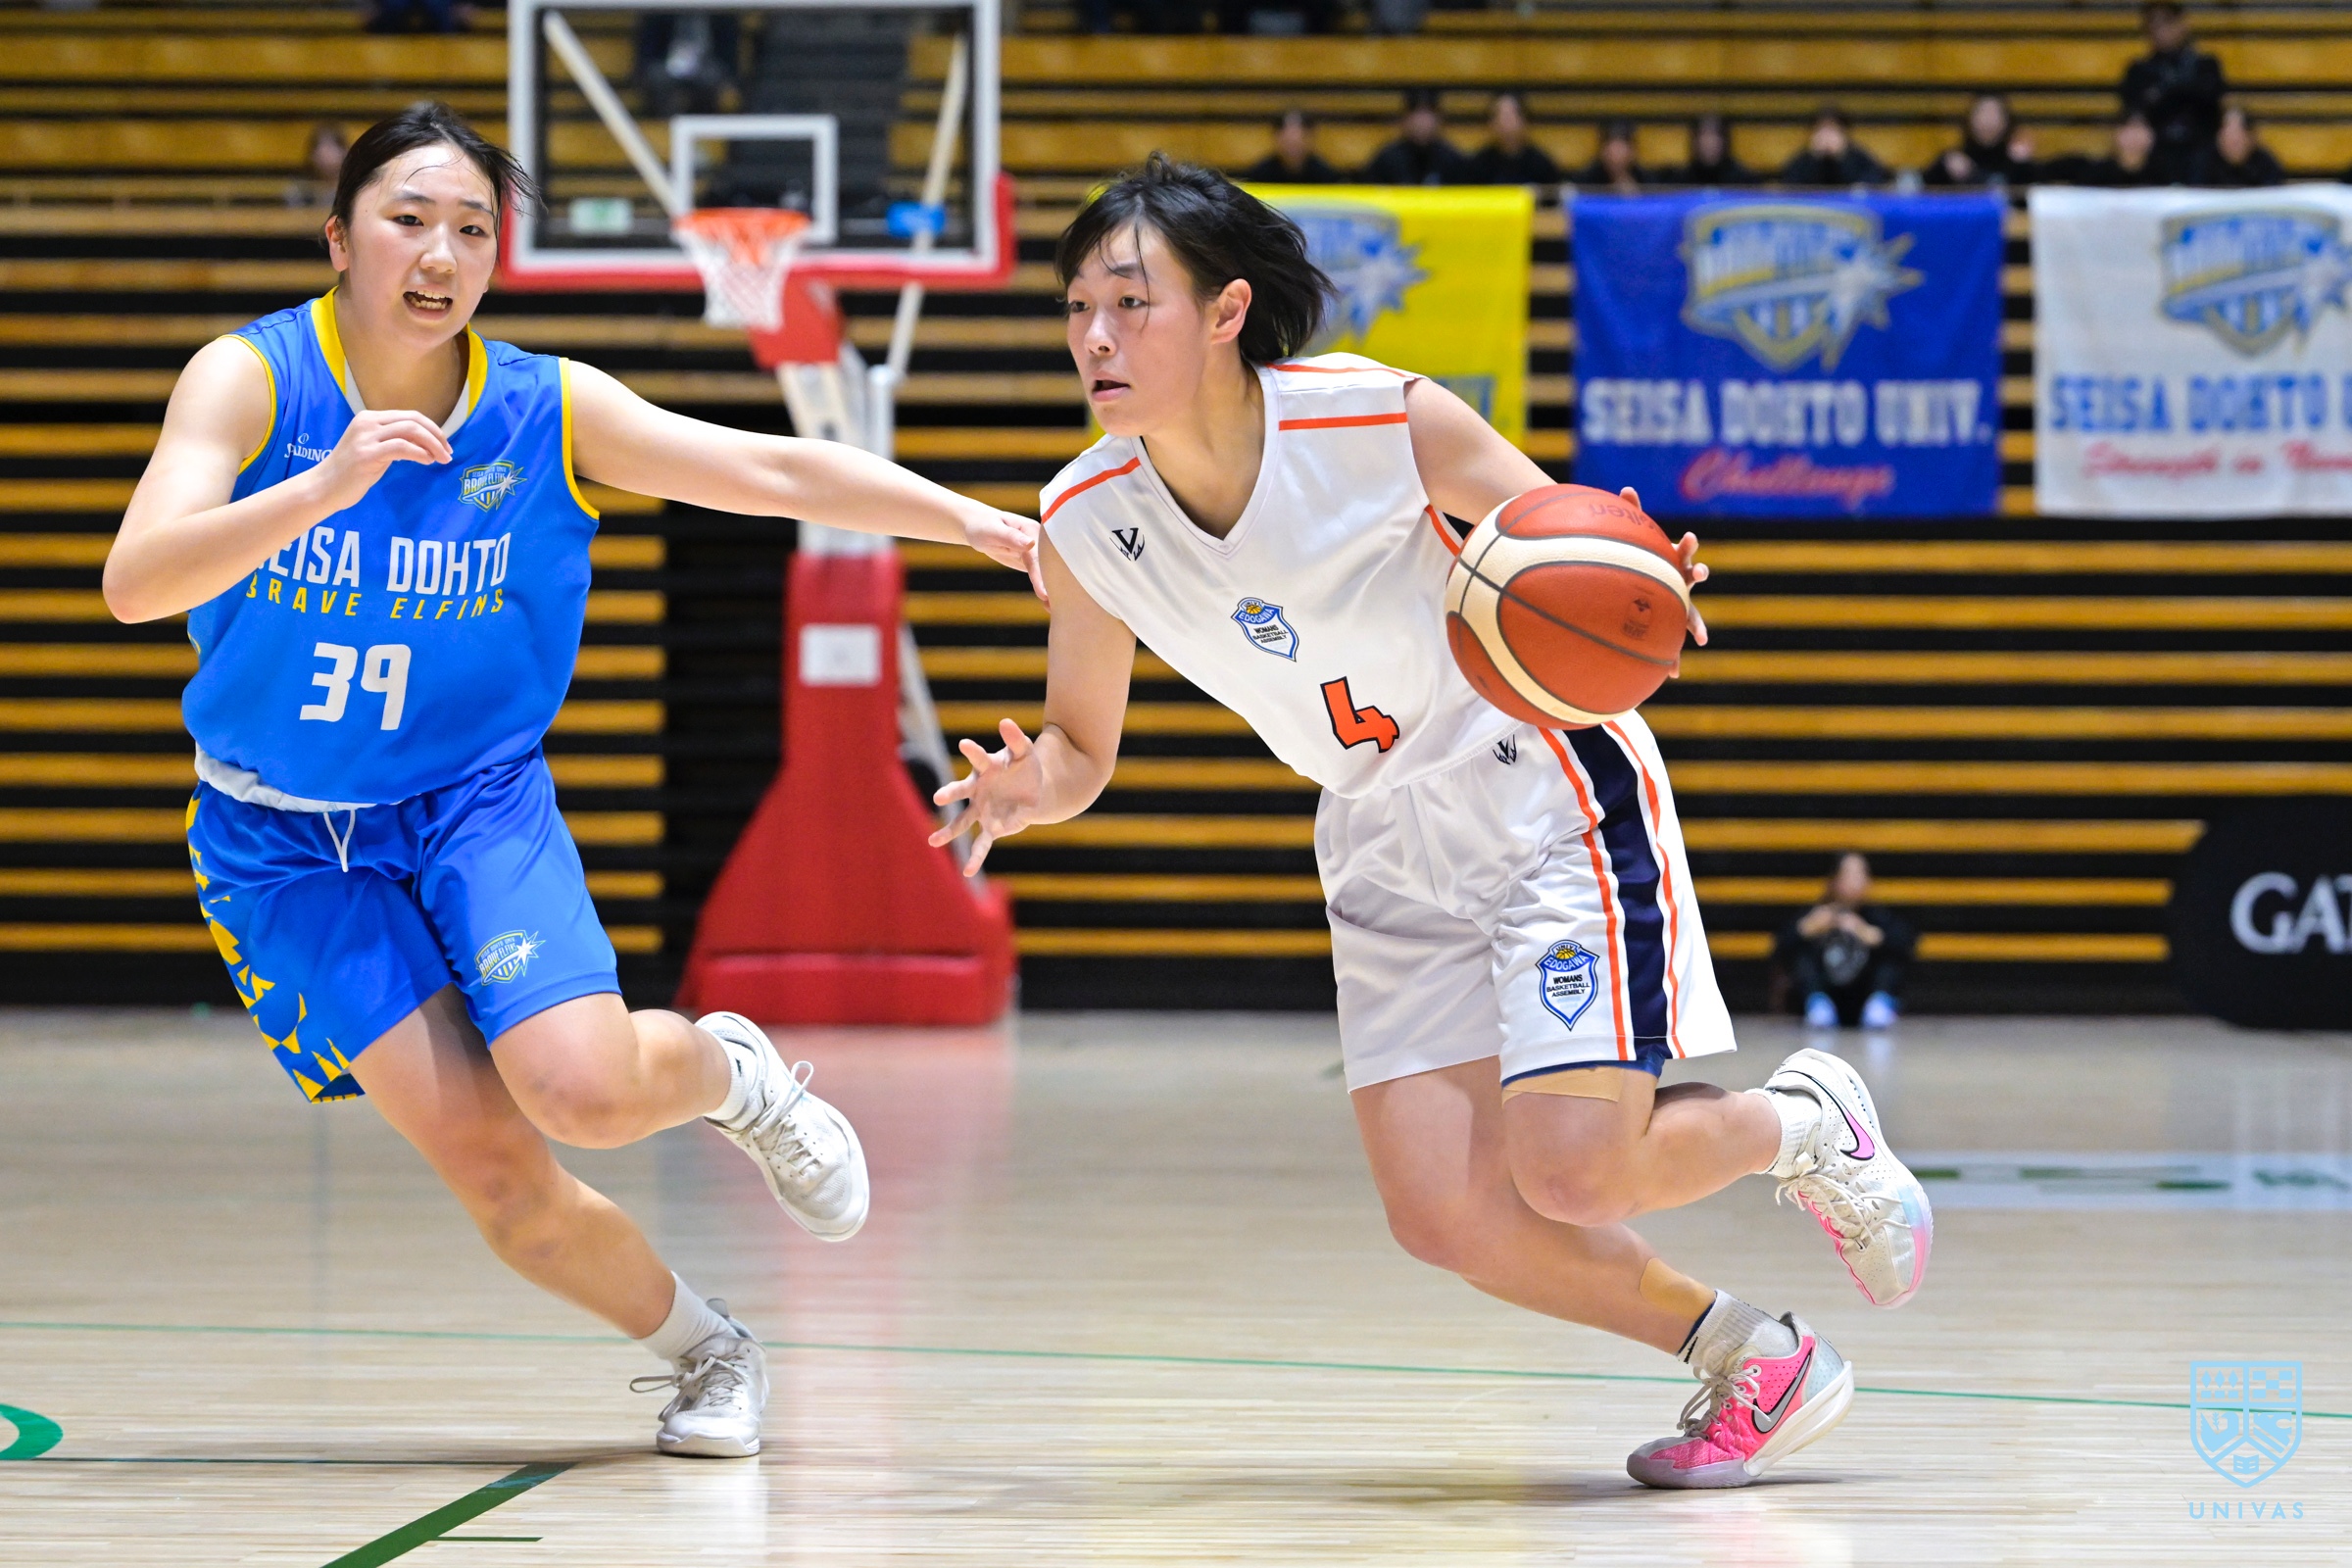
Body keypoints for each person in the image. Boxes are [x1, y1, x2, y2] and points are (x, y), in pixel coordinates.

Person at [936, 154, 1934, 1489]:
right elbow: (1081, 748)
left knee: (1576, 1174)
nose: (1095, 338)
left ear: (1226, 313)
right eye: (1077, 309)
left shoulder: (1377, 420)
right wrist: (1027, 787)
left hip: (1536, 783)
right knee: (1445, 1212)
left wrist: (1640, 578)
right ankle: (1757, 1359)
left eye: (1129, 302)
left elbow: (1570, 545)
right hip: (1376, 837)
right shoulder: (1083, 519)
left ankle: (1805, 1122)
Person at [105, 103, 1041, 1459]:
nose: (441, 253)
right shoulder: (251, 381)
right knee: (499, 1175)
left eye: (472, 229)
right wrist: (317, 489)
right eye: (408, 220)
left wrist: (966, 519)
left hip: (469, 804)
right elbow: (137, 582)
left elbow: (765, 466)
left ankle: (733, 1072)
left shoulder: (544, 407)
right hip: (283, 842)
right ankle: (711, 1350)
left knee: (586, 1093)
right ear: (340, 237)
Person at [1774, 855, 1915, 1031]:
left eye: (1860, 875)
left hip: (1862, 996)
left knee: (1891, 957)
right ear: (1834, 879)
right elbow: (1779, 947)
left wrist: (1869, 934)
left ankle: (1879, 1005)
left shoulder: (1877, 916)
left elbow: (1907, 944)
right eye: (1848, 874)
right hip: (1827, 993)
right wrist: (1805, 929)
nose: (1854, 882)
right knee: (1801, 956)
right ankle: (1817, 1006)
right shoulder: (1817, 914)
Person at [2121, 2, 2225, 183]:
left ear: (2182, 24)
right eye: (2153, 24)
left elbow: (2211, 104)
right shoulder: (2138, 71)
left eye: (2167, 22)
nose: (2160, 30)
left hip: (2202, 150)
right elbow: (2134, 111)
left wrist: (2162, 94)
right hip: (2155, 153)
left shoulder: (2206, 66)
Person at [1922, 92, 2034, 188]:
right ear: (1970, 120)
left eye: (1994, 114)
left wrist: (2023, 166)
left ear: (2007, 122)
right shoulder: (1953, 161)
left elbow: (2035, 194)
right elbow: (1921, 187)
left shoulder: (2017, 162)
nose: (1988, 121)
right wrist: (1943, 166)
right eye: (1982, 113)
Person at [1361, 88, 1467, 186]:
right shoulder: (1387, 160)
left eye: (1427, 114)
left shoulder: (1451, 160)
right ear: (1405, 118)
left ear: (1439, 119)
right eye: (1416, 114)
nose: (1421, 122)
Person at [1464, 91, 1561, 190]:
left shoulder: (1541, 165)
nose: (1505, 123)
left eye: (1510, 116)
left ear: (1525, 120)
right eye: (1500, 116)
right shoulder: (1478, 165)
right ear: (1490, 123)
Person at [2045, 110, 2163, 187]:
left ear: (2152, 136)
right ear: (2117, 134)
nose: (2134, 136)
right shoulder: (2097, 173)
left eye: (2140, 128)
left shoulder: (2163, 174)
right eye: (2129, 129)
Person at [1778, 105, 1888, 187]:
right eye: (1821, 130)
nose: (1827, 137)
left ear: (1843, 133)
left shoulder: (1858, 157)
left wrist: (1841, 158)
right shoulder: (1804, 159)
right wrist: (1814, 159)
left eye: (1832, 130)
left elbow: (1874, 180)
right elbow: (1789, 183)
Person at [2193, 103, 2284, 187]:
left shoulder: (2265, 165)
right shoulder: (2204, 162)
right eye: (2228, 138)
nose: (2232, 144)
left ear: (2251, 138)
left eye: (2237, 141)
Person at [1243, 110, 1345, 185]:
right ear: (1276, 138)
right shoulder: (1257, 177)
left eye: (1297, 143)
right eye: (1288, 142)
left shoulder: (1327, 177)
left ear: (1310, 138)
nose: (1293, 150)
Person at [1656, 112, 1754, 188]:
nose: (1709, 143)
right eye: (1704, 135)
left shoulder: (1744, 182)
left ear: (1725, 141)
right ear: (1694, 141)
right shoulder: (1680, 181)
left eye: (1715, 136)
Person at [1569, 117, 1642, 195]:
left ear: (1632, 151)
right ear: (1602, 151)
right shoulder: (1584, 179)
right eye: (1611, 150)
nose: (1616, 156)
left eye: (1621, 149)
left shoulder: (1645, 179)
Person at [286, 123, 347, 209]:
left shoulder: (352, 191)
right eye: (321, 146)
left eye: (331, 146)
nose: (326, 153)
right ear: (312, 155)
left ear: (344, 151)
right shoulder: (299, 191)